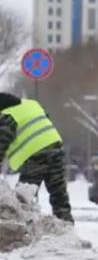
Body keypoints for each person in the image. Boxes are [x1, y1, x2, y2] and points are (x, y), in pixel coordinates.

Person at [0, 93, 73, 223]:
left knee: (23, 198)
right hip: (55, 147)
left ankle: (23, 229)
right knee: (59, 194)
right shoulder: (32, 104)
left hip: (35, 156)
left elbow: (1, 145)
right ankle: (67, 227)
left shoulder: (6, 117)